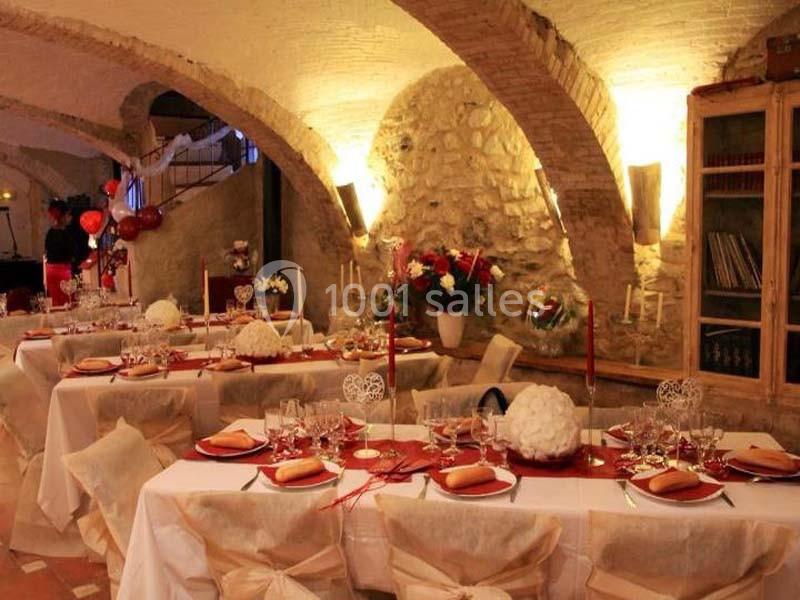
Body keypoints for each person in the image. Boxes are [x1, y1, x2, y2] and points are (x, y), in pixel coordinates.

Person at [44, 199, 77, 306]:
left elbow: (47, 251)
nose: (70, 218)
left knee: (56, 300)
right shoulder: (67, 233)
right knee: (66, 299)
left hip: (50, 270)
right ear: (62, 216)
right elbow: (71, 252)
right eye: (68, 215)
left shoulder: (50, 233)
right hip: (63, 270)